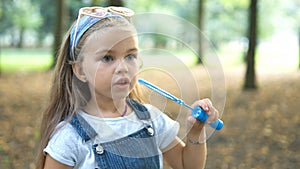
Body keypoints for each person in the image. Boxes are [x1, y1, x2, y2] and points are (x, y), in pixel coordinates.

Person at [36, 6, 219, 169]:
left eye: (130, 56)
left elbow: (188, 165)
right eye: (108, 58)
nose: (123, 67)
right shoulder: (69, 138)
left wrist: (196, 130)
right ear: (80, 70)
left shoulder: (150, 119)